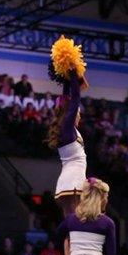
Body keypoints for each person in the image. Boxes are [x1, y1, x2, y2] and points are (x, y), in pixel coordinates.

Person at [48, 71, 88, 216]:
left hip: (72, 179)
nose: (79, 116)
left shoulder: (69, 129)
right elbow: (75, 99)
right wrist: (73, 73)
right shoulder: (67, 128)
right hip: (73, 180)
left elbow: (67, 98)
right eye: (78, 113)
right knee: (75, 221)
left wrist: (66, 79)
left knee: (72, 222)